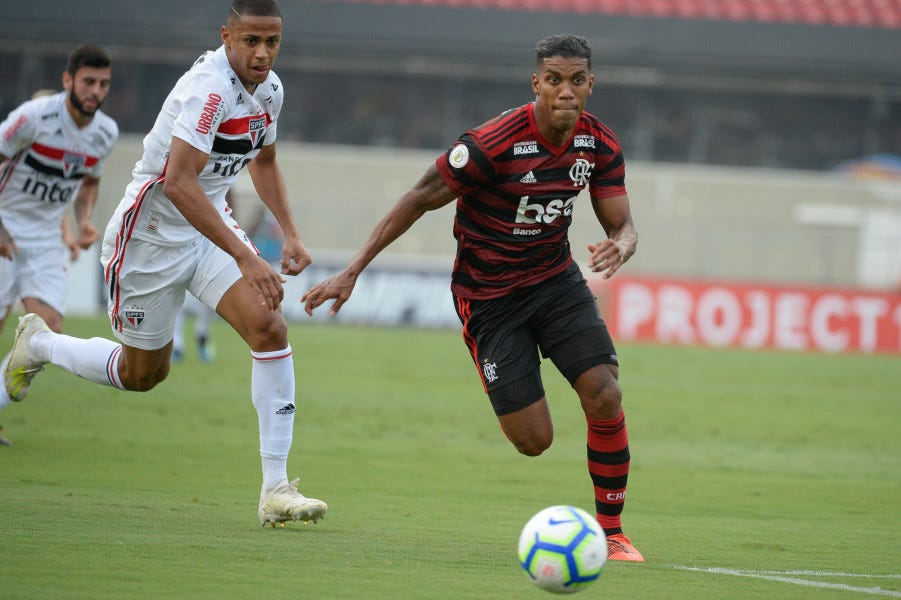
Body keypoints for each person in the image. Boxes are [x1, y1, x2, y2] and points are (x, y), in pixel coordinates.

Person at [303, 34, 642, 560]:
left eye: (577, 80)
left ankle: (612, 533)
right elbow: (418, 197)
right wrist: (352, 271)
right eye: (554, 79)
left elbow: (623, 225)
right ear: (537, 83)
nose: (566, 91)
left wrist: (621, 247)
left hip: (556, 283)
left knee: (605, 393)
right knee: (534, 440)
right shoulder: (493, 143)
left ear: (591, 84)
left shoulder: (599, 144)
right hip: (489, 298)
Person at [2, 0, 327, 526]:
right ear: (227, 36)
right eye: (252, 41)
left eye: (272, 42)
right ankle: (38, 344)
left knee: (269, 327)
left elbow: (263, 161)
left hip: (208, 228)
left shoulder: (270, 91)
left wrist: (288, 232)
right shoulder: (209, 89)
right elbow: (177, 182)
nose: (263, 53)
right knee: (142, 375)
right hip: (150, 237)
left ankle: (276, 489)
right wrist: (248, 257)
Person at [0, 48, 119, 444]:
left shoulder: (105, 132)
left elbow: (88, 183)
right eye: (88, 82)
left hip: (46, 235)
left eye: (103, 84)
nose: (95, 91)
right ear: (68, 80)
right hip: (4, 227)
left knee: (47, 333)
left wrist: (83, 221)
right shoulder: (33, 117)